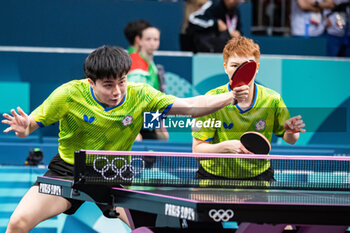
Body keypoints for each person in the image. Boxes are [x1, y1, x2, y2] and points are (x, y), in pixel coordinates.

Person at [2, 45, 249, 233]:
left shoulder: (140, 95)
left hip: (114, 174)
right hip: (69, 171)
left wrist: (230, 96)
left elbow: (192, 106)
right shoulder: (68, 95)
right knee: (18, 222)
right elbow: (30, 126)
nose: (117, 91)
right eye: (108, 85)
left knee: (157, 230)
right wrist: (25, 128)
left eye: (122, 81)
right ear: (91, 82)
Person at [192, 36, 306, 182]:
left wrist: (291, 132)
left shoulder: (272, 100)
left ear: (257, 68)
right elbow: (197, 151)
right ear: (225, 67)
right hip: (213, 176)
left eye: (247, 65)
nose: (241, 71)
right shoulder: (211, 100)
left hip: (258, 177)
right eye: (234, 66)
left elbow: (291, 140)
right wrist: (227, 147)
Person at [128, 26, 168, 141]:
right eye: (148, 39)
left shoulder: (152, 65)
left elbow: (153, 98)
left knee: (161, 140)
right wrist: (132, 129)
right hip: (135, 120)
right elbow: (132, 99)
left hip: (148, 118)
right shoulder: (135, 63)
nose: (152, 43)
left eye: (156, 39)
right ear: (139, 41)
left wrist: (159, 125)